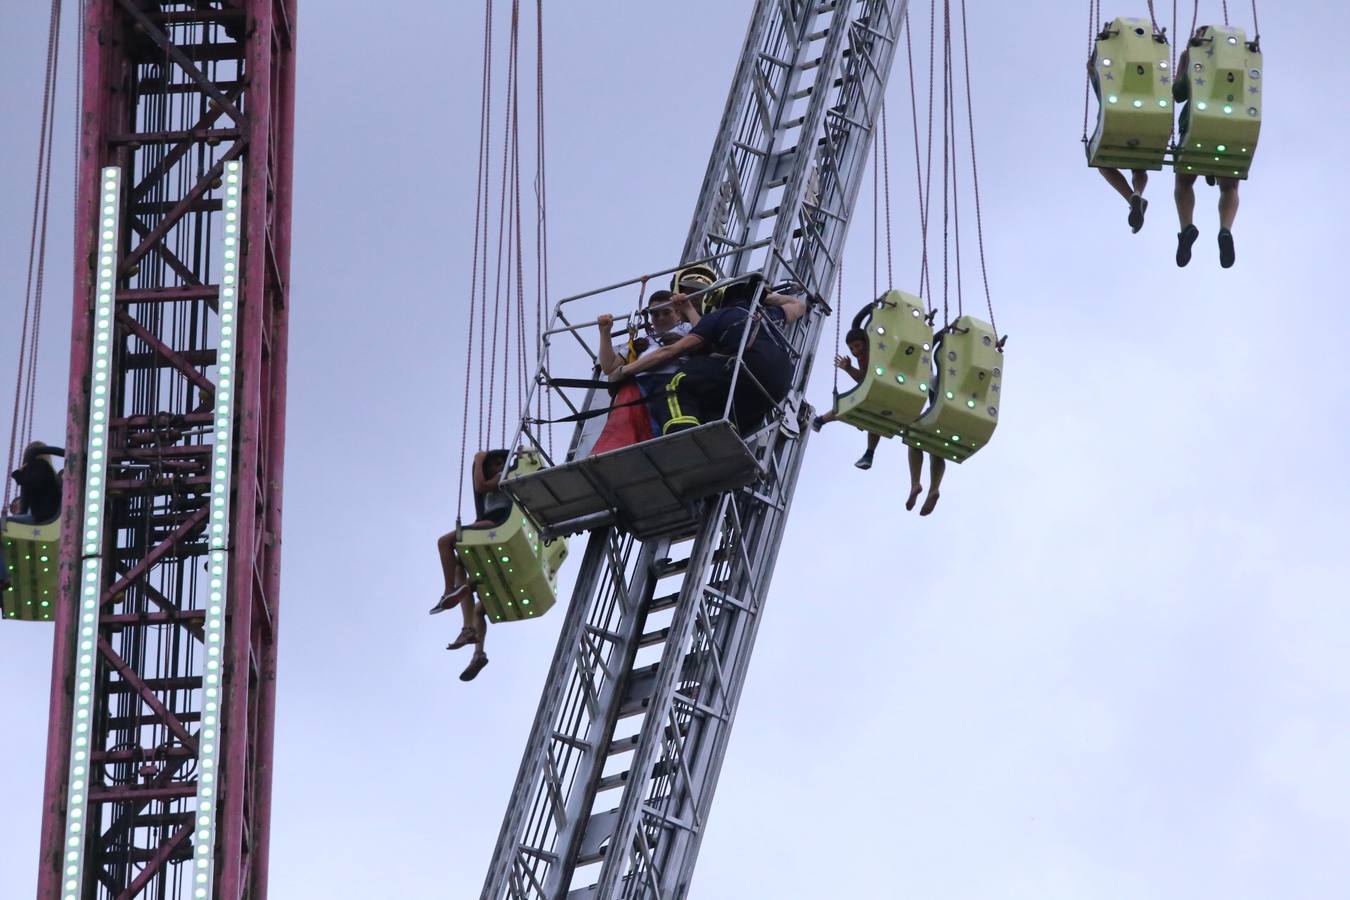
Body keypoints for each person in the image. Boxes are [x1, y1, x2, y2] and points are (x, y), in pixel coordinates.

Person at [613, 276, 808, 433]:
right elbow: (798, 306)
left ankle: (683, 432)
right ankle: (722, 433)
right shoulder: (768, 315)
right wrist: (762, 297)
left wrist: (623, 370)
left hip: (749, 367)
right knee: (721, 401)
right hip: (779, 384)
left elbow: (672, 351)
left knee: (676, 383)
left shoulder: (718, 317)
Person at [431, 449, 510, 682]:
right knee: (476, 604)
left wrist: (478, 460)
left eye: (499, 463)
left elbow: (481, 487)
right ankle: (477, 651)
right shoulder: (497, 479)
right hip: (493, 531)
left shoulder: (503, 478)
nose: (497, 467)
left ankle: (449, 591)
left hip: (494, 524)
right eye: (494, 464)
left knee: (445, 542)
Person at [591, 290, 694, 453]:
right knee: (630, 405)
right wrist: (605, 333)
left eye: (666, 312)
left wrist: (688, 308)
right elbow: (609, 367)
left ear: (677, 313)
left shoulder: (686, 329)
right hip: (642, 388)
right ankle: (614, 448)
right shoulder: (643, 343)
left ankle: (678, 444)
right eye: (655, 314)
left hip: (672, 382)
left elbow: (705, 333)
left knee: (668, 416)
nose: (660, 318)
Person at [1172, 26, 1241, 268]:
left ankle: (1187, 226)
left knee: (1184, 182)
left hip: (1197, 126)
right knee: (1229, 186)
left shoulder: (1194, 56)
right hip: (1232, 128)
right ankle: (1225, 230)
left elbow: (1178, 93)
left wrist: (1184, 59)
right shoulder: (1237, 57)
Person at [1087, 49, 1151, 233]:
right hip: (1142, 125)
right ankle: (1137, 194)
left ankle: (1132, 197)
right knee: (1140, 166)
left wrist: (1096, 58)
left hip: (1115, 126)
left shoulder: (1108, 82)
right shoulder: (1145, 79)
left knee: (1102, 164)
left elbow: (1092, 71)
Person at [810, 328, 882, 469]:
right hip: (872, 394)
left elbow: (867, 378)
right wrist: (848, 368)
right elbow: (862, 378)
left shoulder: (872, 354)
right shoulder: (861, 358)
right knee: (851, 407)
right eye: (851, 348)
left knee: (871, 417)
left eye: (857, 346)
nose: (855, 351)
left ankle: (821, 420)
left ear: (866, 344)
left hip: (880, 392)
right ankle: (821, 420)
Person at [0, 442, 65, 592]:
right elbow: (26, 502)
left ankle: (3, 577)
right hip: (40, 516)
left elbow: (35, 483)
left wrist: (20, 477)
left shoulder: (40, 466)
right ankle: (3, 576)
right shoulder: (41, 470)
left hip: (43, 517)